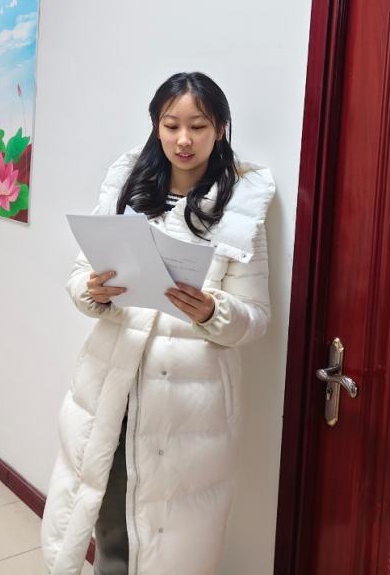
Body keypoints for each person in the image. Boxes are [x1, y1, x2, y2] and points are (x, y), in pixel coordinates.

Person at [40, 72, 275, 575]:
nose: (184, 139)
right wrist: (93, 290)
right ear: (156, 126)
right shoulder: (128, 189)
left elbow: (255, 319)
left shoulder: (240, 212)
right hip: (112, 390)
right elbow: (79, 277)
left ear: (220, 129)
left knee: (174, 539)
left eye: (198, 126)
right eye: (171, 125)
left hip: (188, 410)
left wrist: (212, 311)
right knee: (109, 522)